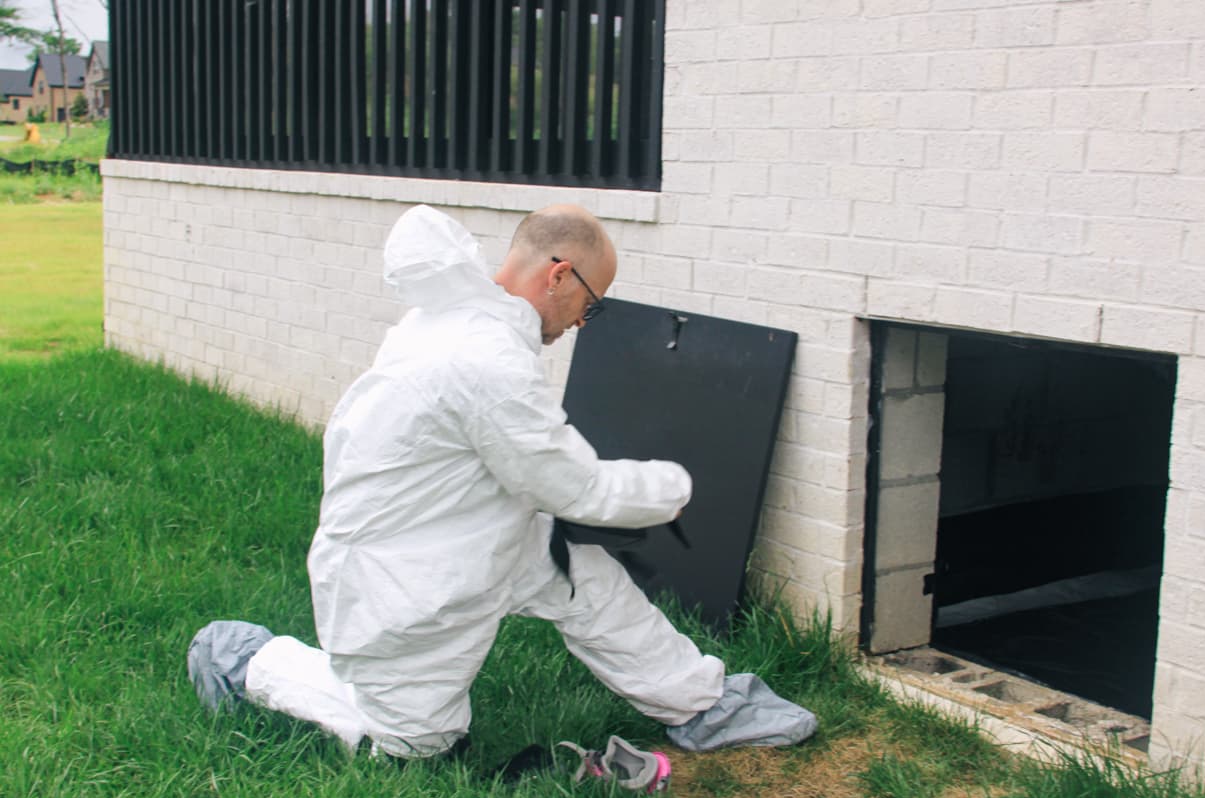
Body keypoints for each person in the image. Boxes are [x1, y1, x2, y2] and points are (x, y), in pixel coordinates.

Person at [188, 204, 815, 760]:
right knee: (414, 744)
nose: (582, 322)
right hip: (408, 577)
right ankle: (246, 659)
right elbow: (574, 488)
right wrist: (676, 487)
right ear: (560, 274)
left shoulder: (459, 324)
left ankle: (703, 704)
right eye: (591, 305)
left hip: (473, 528)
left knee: (585, 581)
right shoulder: (483, 357)